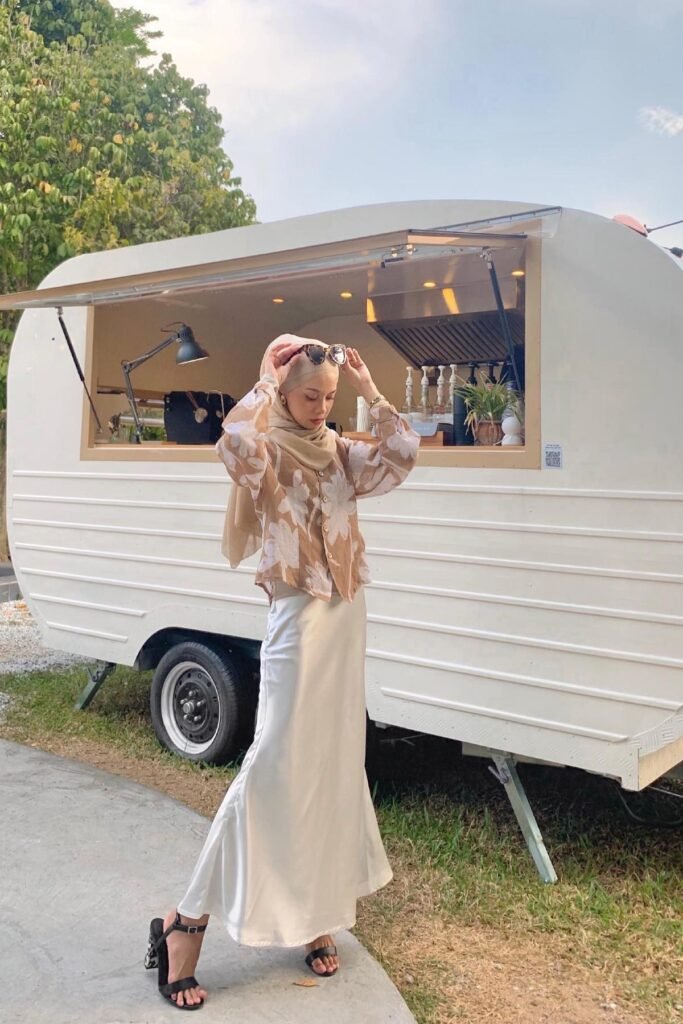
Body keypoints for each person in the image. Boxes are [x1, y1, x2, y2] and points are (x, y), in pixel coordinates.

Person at [145, 334, 420, 1010]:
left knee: (330, 766)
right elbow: (231, 444)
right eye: (310, 395)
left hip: (347, 616)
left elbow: (402, 455)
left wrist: (370, 390)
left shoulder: (342, 454)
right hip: (298, 619)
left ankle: (314, 912)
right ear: (285, 389)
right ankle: (184, 923)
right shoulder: (266, 445)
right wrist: (266, 382)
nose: (321, 407)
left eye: (328, 397)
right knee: (273, 768)